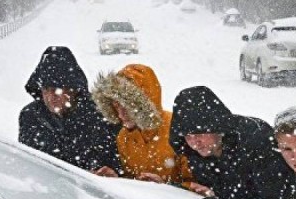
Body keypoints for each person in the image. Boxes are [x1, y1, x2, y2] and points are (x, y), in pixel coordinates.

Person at [18, 46, 121, 174]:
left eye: (57, 90)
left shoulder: (100, 115)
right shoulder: (31, 116)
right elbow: (24, 162)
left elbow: (117, 160)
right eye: (45, 90)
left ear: (73, 90)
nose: (50, 97)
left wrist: (112, 171)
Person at [91, 64, 192, 184]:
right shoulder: (123, 136)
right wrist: (117, 180)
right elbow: (133, 182)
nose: (121, 115)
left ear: (143, 105)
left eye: (127, 107)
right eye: (117, 106)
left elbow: (197, 187)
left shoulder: (177, 128)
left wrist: (166, 187)